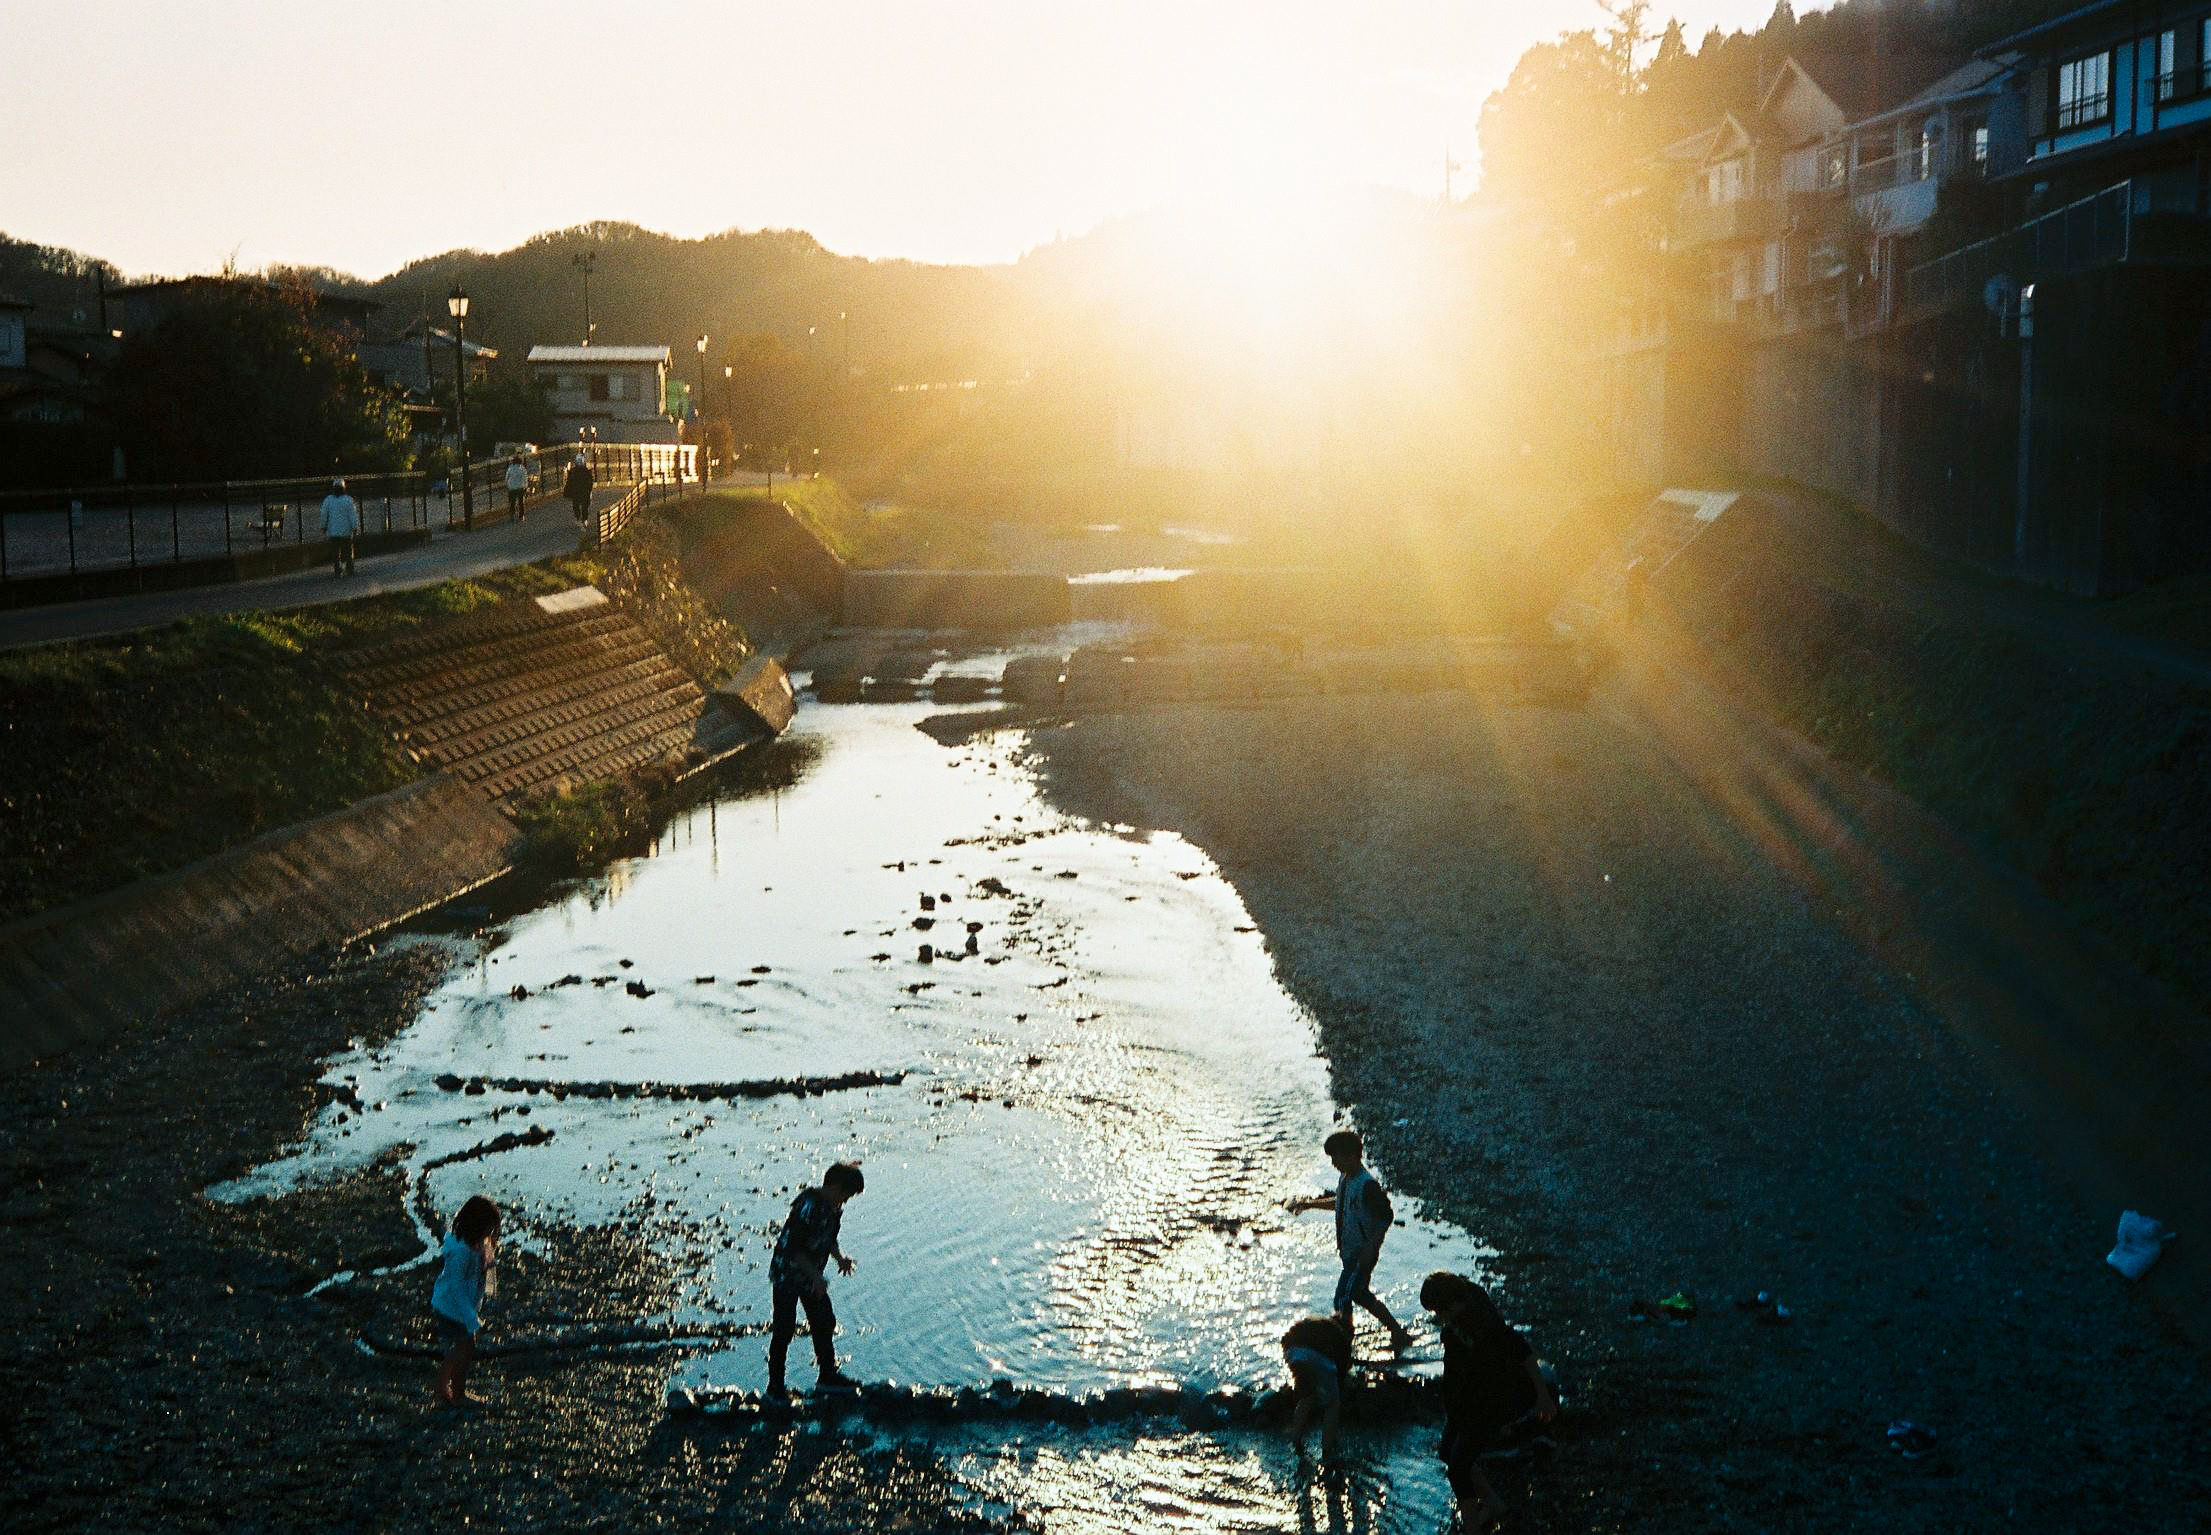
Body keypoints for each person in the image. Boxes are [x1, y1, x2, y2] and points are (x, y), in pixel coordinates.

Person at [1421, 1271, 1558, 1534]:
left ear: (1451, 1303)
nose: (1438, 1318)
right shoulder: (1462, 1302)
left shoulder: (1485, 1325)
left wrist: (1542, 1396)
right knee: (1447, 1453)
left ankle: (1473, 1528)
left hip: (1489, 1400)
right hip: (1463, 1398)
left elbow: (1523, 1351)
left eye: (1439, 1311)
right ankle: (1494, 1505)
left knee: (1459, 1467)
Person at [1290, 1129, 1414, 1349]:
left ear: (1352, 1156)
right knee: (1360, 1294)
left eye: (1336, 1157)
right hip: (1349, 1252)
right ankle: (1396, 1332)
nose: (1333, 1163)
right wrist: (1309, 1204)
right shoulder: (1346, 1179)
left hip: (1361, 1253)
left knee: (1342, 1298)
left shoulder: (1367, 1185)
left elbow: (1387, 1216)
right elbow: (1339, 1203)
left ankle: (1343, 1341)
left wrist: (1371, 1245)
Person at [765, 1161, 864, 1403]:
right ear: (833, 1186)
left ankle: (827, 1377)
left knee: (824, 1320)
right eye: (845, 1195)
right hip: (788, 1274)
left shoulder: (832, 1208)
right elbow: (795, 1250)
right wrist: (816, 1277)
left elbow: (829, 1237)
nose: (845, 1202)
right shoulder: (808, 1206)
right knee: (784, 1328)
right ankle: (775, 1387)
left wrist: (840, 1258)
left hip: (811, 1277)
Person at [430, 1196, 501, 1408]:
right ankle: (458, 1394)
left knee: (461, 1347)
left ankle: (442, 1386)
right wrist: (470, 1317)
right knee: (466, 1345)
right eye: (487, 1229)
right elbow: (456, 1286)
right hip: (451, 1307)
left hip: (459, 1306)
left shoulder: (477, 1246)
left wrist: (487, 1266)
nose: (489, 1235)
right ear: (476, 1225)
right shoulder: (460, 1252)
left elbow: (479, 1274)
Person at [1280, 1313, 1352, 1462]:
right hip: (1314, 1354)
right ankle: (1327, 1449)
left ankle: (1296, 1439)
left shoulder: (1319, 1321)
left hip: (1291, 1349)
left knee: (1307, 1396)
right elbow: (1342, 1372)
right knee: (1333, 1404)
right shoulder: (1341, 1338)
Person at [321, 477, 360, 577]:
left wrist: (323, 526)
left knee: (335, 553)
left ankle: (337, 570)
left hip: (333, 532)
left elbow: (324, 514)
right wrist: (355, 527)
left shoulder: (328, 500)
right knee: (348, 551)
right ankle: (349, 569)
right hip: (346, 532)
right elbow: (353, 515)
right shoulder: (348, 500)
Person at [563, 453, 594, 525]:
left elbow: (569, 481)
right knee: (584, 506)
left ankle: (578, 517)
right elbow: (590, 482)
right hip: (584, 491)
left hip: (576, 491)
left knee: (576, 505)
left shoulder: (573, 471)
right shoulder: (586, 471)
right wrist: (589, 490)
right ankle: (584, 519)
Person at [504, 454, 530, 523]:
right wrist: (526, 487)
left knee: (512, 502)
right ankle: (521, 516)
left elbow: (507, 478)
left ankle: (512, 515)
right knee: (521, 502)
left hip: (512, 487)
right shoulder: (522, 469)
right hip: (520, 487)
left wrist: (507, 485)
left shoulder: (510, 468)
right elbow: (525, 478)